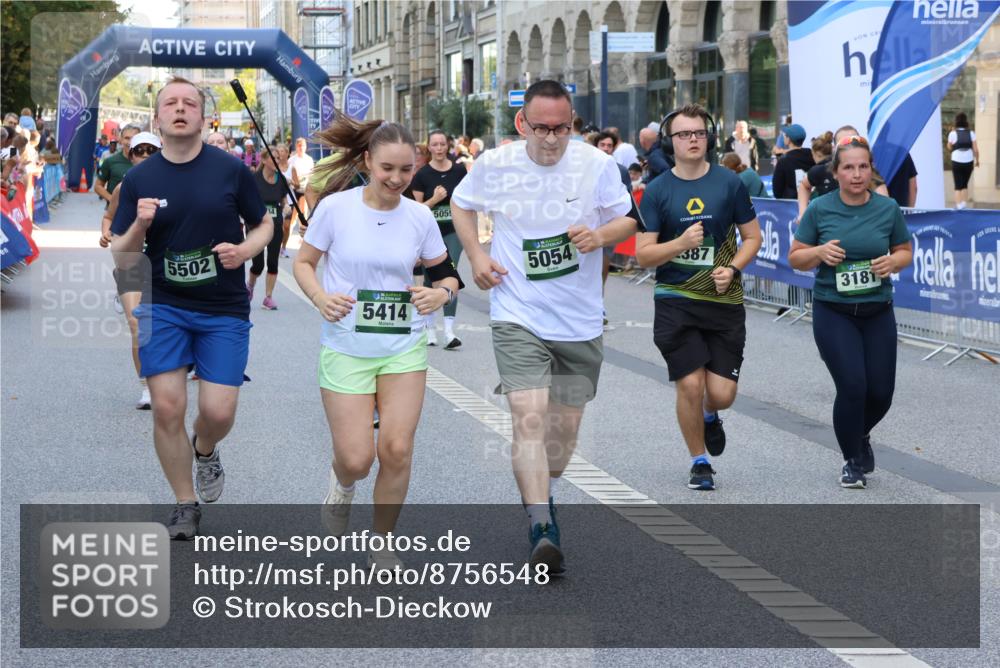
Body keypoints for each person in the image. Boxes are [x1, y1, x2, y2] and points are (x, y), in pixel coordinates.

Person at [451, 80, 641, 574]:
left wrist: (598, 234)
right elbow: (461, 204)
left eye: (563, 128)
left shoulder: (597, 165)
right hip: (518, 312)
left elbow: (627, 221)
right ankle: (541, 527)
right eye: (543, 128)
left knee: (560, 441)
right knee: (528, 419)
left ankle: (543, 490)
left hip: (578, 320)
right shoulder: (497, 164)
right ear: (523, 124)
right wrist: (476, 255)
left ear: (573, 122)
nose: (553, 138)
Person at [292, 117, 461, 570]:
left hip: (402, 346)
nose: (397, 179)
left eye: (406, 170)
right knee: (357, 458)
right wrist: (320, 297)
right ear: (367, 160)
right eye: (388, 168)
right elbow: (305, 263)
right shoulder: (335, 209)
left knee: (397, 449)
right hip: (346, 346)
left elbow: (448, 275)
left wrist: (439, 293)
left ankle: (382, 539)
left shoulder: (420, 216)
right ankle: (343, 483)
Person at [110, 76, 273, 539]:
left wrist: (244, 251)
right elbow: (121, 254)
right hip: (164, 305)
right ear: (158, 117)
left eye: (189, 103)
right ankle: (185, 503)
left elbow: (264, 225)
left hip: (223, 308)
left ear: (203, 116)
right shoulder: (140, 177)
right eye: (170, 104)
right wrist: (140, 225)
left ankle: (205, 449)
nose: (180, 110)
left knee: (218, 413)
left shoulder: (230, 169)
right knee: (166, 406)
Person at [635, 104, 763, 492]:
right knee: (689, 384)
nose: (693, 139)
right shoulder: (657, 190)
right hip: (676, 300)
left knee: (721, 394)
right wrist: (679, 244)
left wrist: (734, 268)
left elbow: (753, 237)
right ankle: (699, 461)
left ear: (708, 137)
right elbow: (643, 254)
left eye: (699, 133)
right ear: (669, 141)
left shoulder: (729, 183)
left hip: (723, 303)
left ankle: (711, 415)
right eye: (684, 134)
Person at [788, 135, 913, 489]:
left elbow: (905, 250)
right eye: (849, 167)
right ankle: (851, 460)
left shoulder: (887, 209)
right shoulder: (820, 208)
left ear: (871, 170)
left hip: (877, 310)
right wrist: (819, 253)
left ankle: (860, 435)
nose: (857, 174)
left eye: (863, 166)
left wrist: (893, 261)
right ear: (836, 172)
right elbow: (795, 257)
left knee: (881, 393)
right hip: (834, 310)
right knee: (854, 386)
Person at [100, 132, 162, 409]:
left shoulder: (175, 185)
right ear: (131, 155)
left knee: (164, 326)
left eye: (152, 152)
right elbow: (109, 217)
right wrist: (106, 233)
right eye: (140, 152)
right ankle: (146, 387)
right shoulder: (123, 188)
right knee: (138, 324)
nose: (145, 157)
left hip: (164, 264)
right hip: (132, 263)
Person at [411, 130, 468, 349]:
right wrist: (434, 199)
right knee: (428, 278)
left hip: (454, 230)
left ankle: (450, 331)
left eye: (443, 144)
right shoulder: (422, 175)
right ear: (429, 148)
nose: (439, 148)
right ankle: (430, 328)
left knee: (448, 272)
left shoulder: (459, 170)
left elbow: (467, 201)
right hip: (429, 232)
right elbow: (416, 211)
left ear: (448, 146)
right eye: (434, 145)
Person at [248, 149, 287, 310]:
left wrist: (286, 209)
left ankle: (268, 297)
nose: (277, 160)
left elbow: (284, 200)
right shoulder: (254, 179)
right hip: (256, 226)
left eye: (278, 158)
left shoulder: (281, 179)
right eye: (273, 158)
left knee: (273, 262)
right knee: (258, 265)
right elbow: (246, 201)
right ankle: (250, 286)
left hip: (276, 226)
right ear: (264, 160)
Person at [95, 125, 140, 205]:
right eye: (127, 138)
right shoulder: (110, 161)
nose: (130, 142)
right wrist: (112, 199)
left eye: (134, 138)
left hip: (141, 214)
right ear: (121, 140)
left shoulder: (147, 162)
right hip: (115, 214)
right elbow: (98, 186)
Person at [771, 123, 814, 199]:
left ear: (788, 139)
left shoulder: (784, 160)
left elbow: (777, 191)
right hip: (811, 201)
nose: (783, 137)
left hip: (791, 205)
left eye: (784, 135)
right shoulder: (812, 155)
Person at [948, 112, 979, 210]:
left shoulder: (953, 133)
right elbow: (975, 150)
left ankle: (958, 206)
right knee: (964, 184)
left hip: (956, 160)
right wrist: (977, 160)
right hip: (968, 161)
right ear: (966, 121)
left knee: (958, 184)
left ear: (956, 122)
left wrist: (952, 146)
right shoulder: (971, 133)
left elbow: (949, 147)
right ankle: (964, 205)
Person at [289, 137, 315, 235]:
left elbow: (312, 174)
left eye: (303, 145)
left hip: (304, 190)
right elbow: (288, 174)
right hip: (293, 189)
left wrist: (306, 179)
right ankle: (289, 234)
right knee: (294, 215)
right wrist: (294, 180)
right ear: (296, 146)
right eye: (299, 145)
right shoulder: (291, 160)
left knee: (303, 211)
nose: (301, 148)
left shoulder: (309, 159)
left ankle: (303, 234)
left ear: (306, 147)